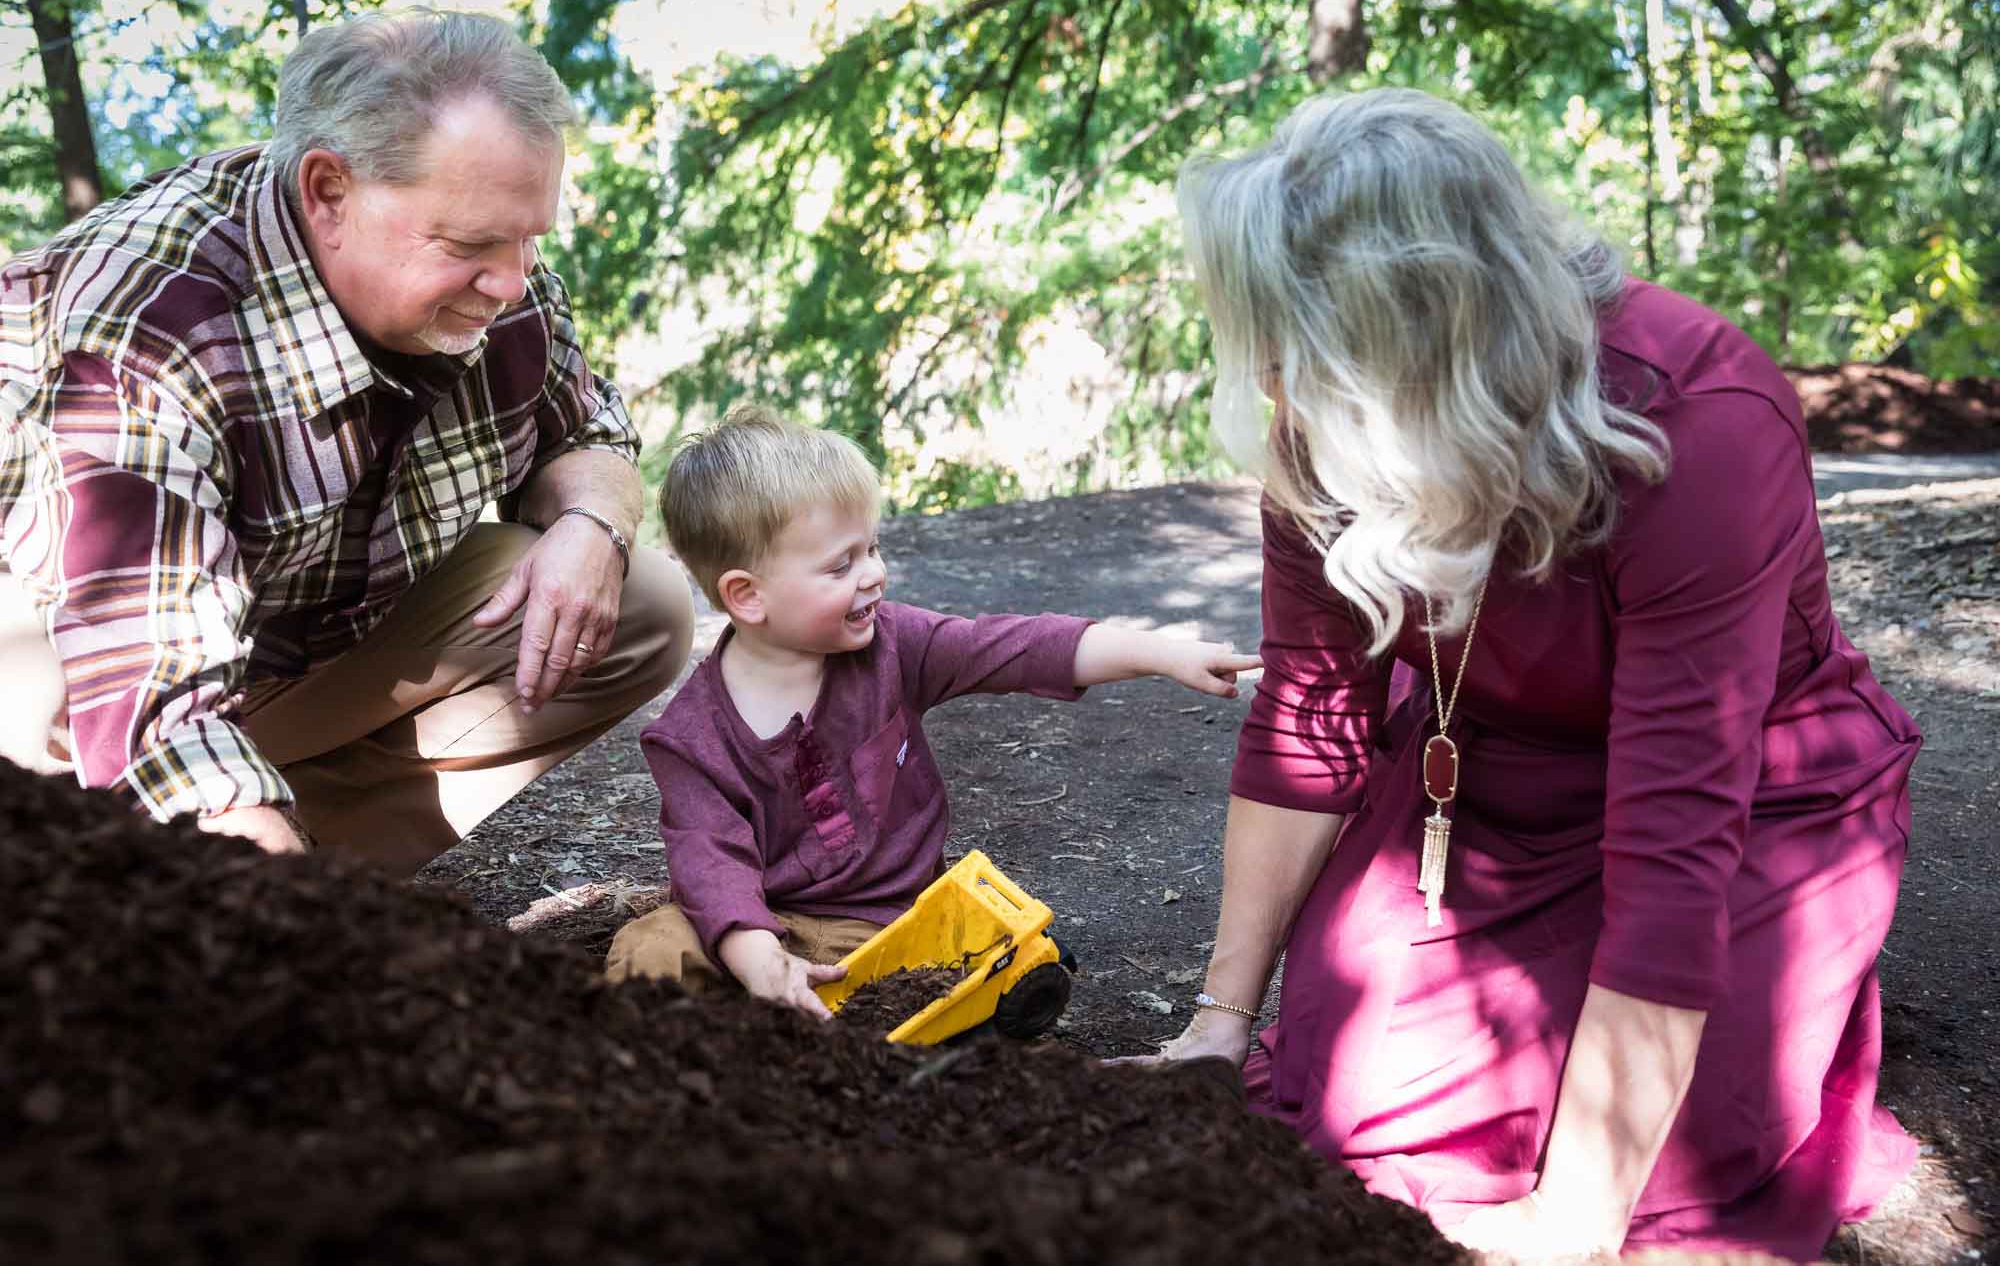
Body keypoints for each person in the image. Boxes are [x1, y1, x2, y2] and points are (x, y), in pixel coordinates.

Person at [1133, 88, 1921, 1261]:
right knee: (1348, 1091)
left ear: (1422, 334)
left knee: (1673, 1163)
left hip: (1751, 793)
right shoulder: (1320, 412)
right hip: (1483, 780)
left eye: (1296, 348)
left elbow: (1671, 846)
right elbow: (1308, 719)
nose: (1271, 388)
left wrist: (1572, 1222)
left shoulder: (1699, 422)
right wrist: (1216, 1020)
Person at [0, 11, 695, 875]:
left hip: (287, 644)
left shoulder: (501, 276)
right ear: (330, 193)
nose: (513, 281)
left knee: (639, 606)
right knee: (54, 698)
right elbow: (149, 703)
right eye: (473, 243)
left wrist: (594, 523)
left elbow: (587, 431)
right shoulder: (150, 333)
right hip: (86, 663)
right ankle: (159, 884)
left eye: (528, 239)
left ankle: (287, 880)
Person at [605, 406, 1257, 1017]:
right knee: (650, 950)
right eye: (842, 565)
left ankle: (973, 982)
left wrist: (1163, 653)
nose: (873, 575)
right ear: (747, 596)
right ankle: (753, 1026)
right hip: (760, 917)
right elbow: (709, 859)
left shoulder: (892, 643)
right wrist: (757, 955)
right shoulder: (691, 736)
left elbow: (1018, 647)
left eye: (873, 549)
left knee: (965, 948)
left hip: (892, 917)